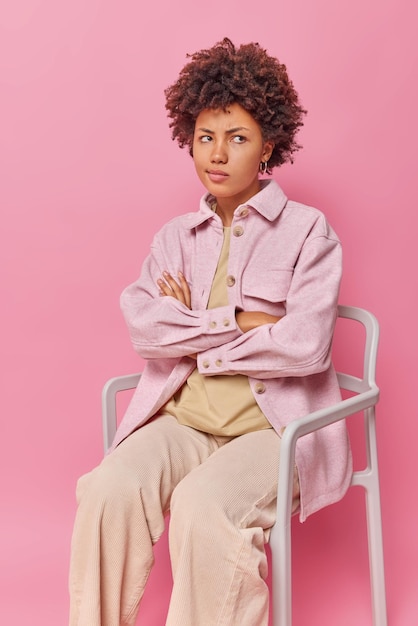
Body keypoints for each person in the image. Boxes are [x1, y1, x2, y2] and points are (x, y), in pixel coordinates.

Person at [69, 37, 352, 626]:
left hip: (273, 431)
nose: (217, 154)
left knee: (203, 506)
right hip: (185, 421)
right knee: (107, 488)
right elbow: (146, 329)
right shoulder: (175, 237)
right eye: (205, 137)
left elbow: (304, 346)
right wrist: (240, 322)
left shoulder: (307, 232)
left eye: (238, 138)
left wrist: (193, 331)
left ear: (268, 146)